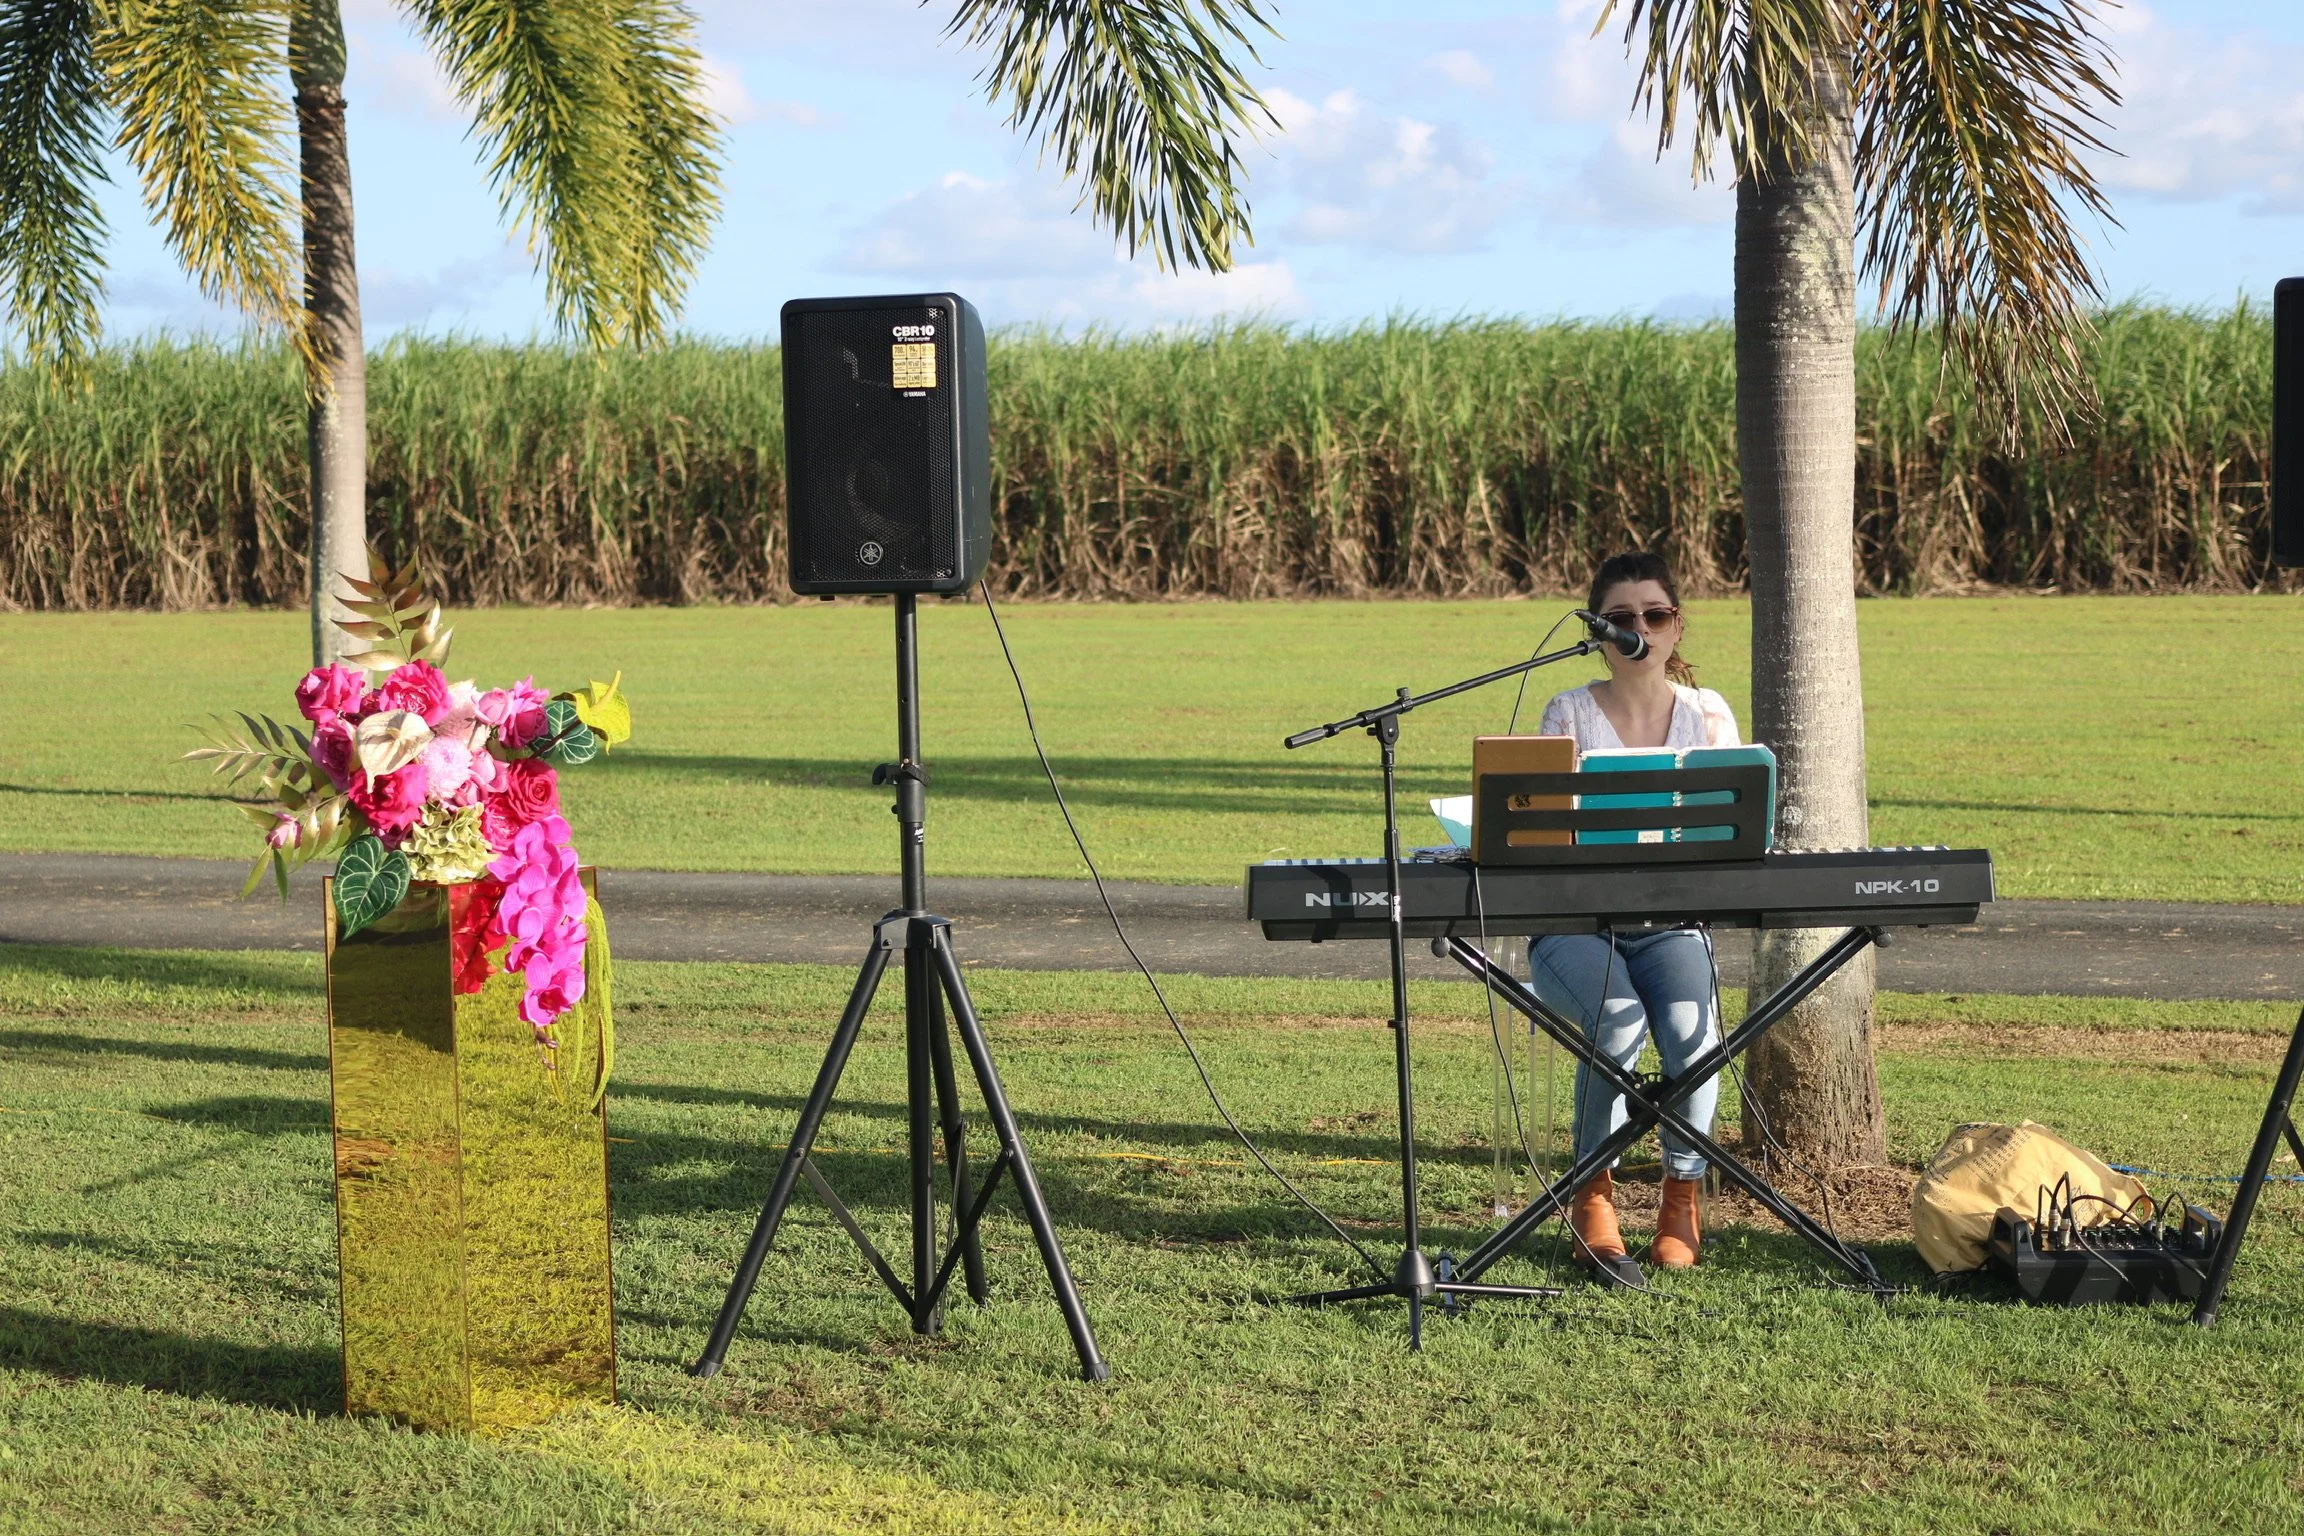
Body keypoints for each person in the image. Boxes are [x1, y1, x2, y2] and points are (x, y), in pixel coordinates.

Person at [1529, 549, 1739, 1283]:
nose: (1639, 629)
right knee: (1617, 1020)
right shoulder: (1568, 712)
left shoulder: (1710, 714)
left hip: (1673, 925)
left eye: (1655, 615)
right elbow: (1536, 831)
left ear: (1677, 627)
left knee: (1692, 1032)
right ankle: (1594, 1194)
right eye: (1621, 618)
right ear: (1598, 631)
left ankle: (1682, 1196)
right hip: (1575, 928)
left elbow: (1734, 828)